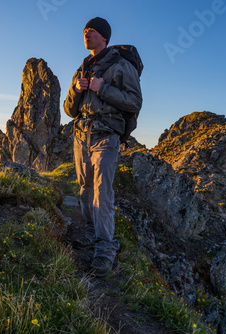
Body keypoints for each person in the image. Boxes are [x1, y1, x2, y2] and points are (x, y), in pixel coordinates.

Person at [63, 17, 142, 277]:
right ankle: (90, 234)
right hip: (81, 136)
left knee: (101, 192)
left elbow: (134, 102)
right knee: (85, 188)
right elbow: (69, 110)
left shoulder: (120, 65)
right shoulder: (82, 68)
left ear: (104, 37)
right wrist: (76, 89)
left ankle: (106, 249)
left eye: (92, 31)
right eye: (85, 31)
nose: (86, 34)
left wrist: (103, 87)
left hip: (106, 135)